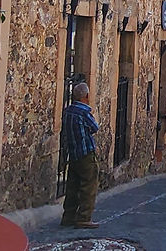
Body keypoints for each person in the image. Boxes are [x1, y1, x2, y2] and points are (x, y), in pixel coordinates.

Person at [61, 82, 100, 229]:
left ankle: (68, 216)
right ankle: (84, 217)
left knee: (72, 186)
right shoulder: (84, 112)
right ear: (86, 96)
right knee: (89, 186)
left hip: (73, 153)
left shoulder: (68, 111)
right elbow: (95, 127)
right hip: (86, 153)